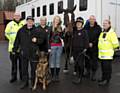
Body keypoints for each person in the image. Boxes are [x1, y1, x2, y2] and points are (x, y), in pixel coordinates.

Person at [13, 16, 48, 89]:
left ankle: (33, 82)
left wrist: (37, 40)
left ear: (33, 22)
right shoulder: (21, 30)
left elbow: (42, 40)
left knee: (33, 69)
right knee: (24, 69)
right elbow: (17, 41)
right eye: (28, 21)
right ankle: (25, 82)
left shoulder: (37, 30)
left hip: (34, 53)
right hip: (24, 52)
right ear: (26, 21)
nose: (30, 22)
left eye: (31, 21)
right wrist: (14, 49)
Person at [5, 12, 25, 83]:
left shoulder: (23, 23)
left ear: (20, 16)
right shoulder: (10, 24)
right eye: (16, 16)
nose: (17, 17)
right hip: (12, 48)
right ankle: (14, 77)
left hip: (21, 47)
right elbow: (6, 33)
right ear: (14, 16)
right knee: (14, 64)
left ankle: (22, 77)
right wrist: (11, 39)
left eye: (18, 16)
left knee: (22, 64)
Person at [98, 19, 119, 86]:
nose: (104, 25)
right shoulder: (103, 32)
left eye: (106, 23)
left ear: (109, 24)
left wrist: (114, 49)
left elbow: (116, 44)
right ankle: (103, 78)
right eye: (103, 23)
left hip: (108, 55)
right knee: (103, 68)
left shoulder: (112, 33)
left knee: (107, 69)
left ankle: (106, 80)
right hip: (102, 55)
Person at [84, 15, 102, 81]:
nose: (92, 20)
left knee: (94, 61)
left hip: (94, 47)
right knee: (87, 60)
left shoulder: (98, 28)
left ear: (95, 20)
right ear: (89, 20)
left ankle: (93, 74)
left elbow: (99, 37)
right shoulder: (86, 27)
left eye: (93, 19)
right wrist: (87, 43)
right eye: (90, 19)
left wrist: (93, 43)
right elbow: (84, 36)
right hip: (87, 47)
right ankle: (87, 72)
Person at [72, 17, 89, 84]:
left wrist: (85, 48)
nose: (78, 24)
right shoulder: (74, 31)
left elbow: (86, 41)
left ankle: (80, 78)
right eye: (77, 23)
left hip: (81, 51)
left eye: (80, 23)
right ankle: (78, 76)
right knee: (76, 64)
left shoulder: (84, 32)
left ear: (82, 24)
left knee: (80, 64)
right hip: (75, 50)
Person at [49, 16, 64, 82]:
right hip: (52, 46)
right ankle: (52, 76)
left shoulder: (60, 27)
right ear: (54, 20)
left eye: (58, 20)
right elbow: (48, 38)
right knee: (52, 61)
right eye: (56, 19)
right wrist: (49, 47)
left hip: (59, 46)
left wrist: (62, 32)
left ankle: (57, 76)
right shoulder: (50, 27)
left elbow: (62, 37)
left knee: (58, 61)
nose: (57, 21)